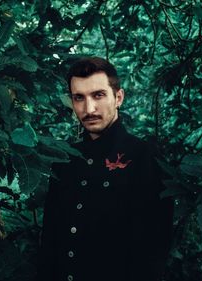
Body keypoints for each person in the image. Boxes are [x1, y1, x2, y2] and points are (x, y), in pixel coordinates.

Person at [37, 57, 174, 281]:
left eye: (98, 95)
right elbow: (50, 242)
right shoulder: (65, 160)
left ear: (118, 97)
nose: (89, 108)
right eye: (79, 98)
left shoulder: (145, 157)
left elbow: (153, 251)